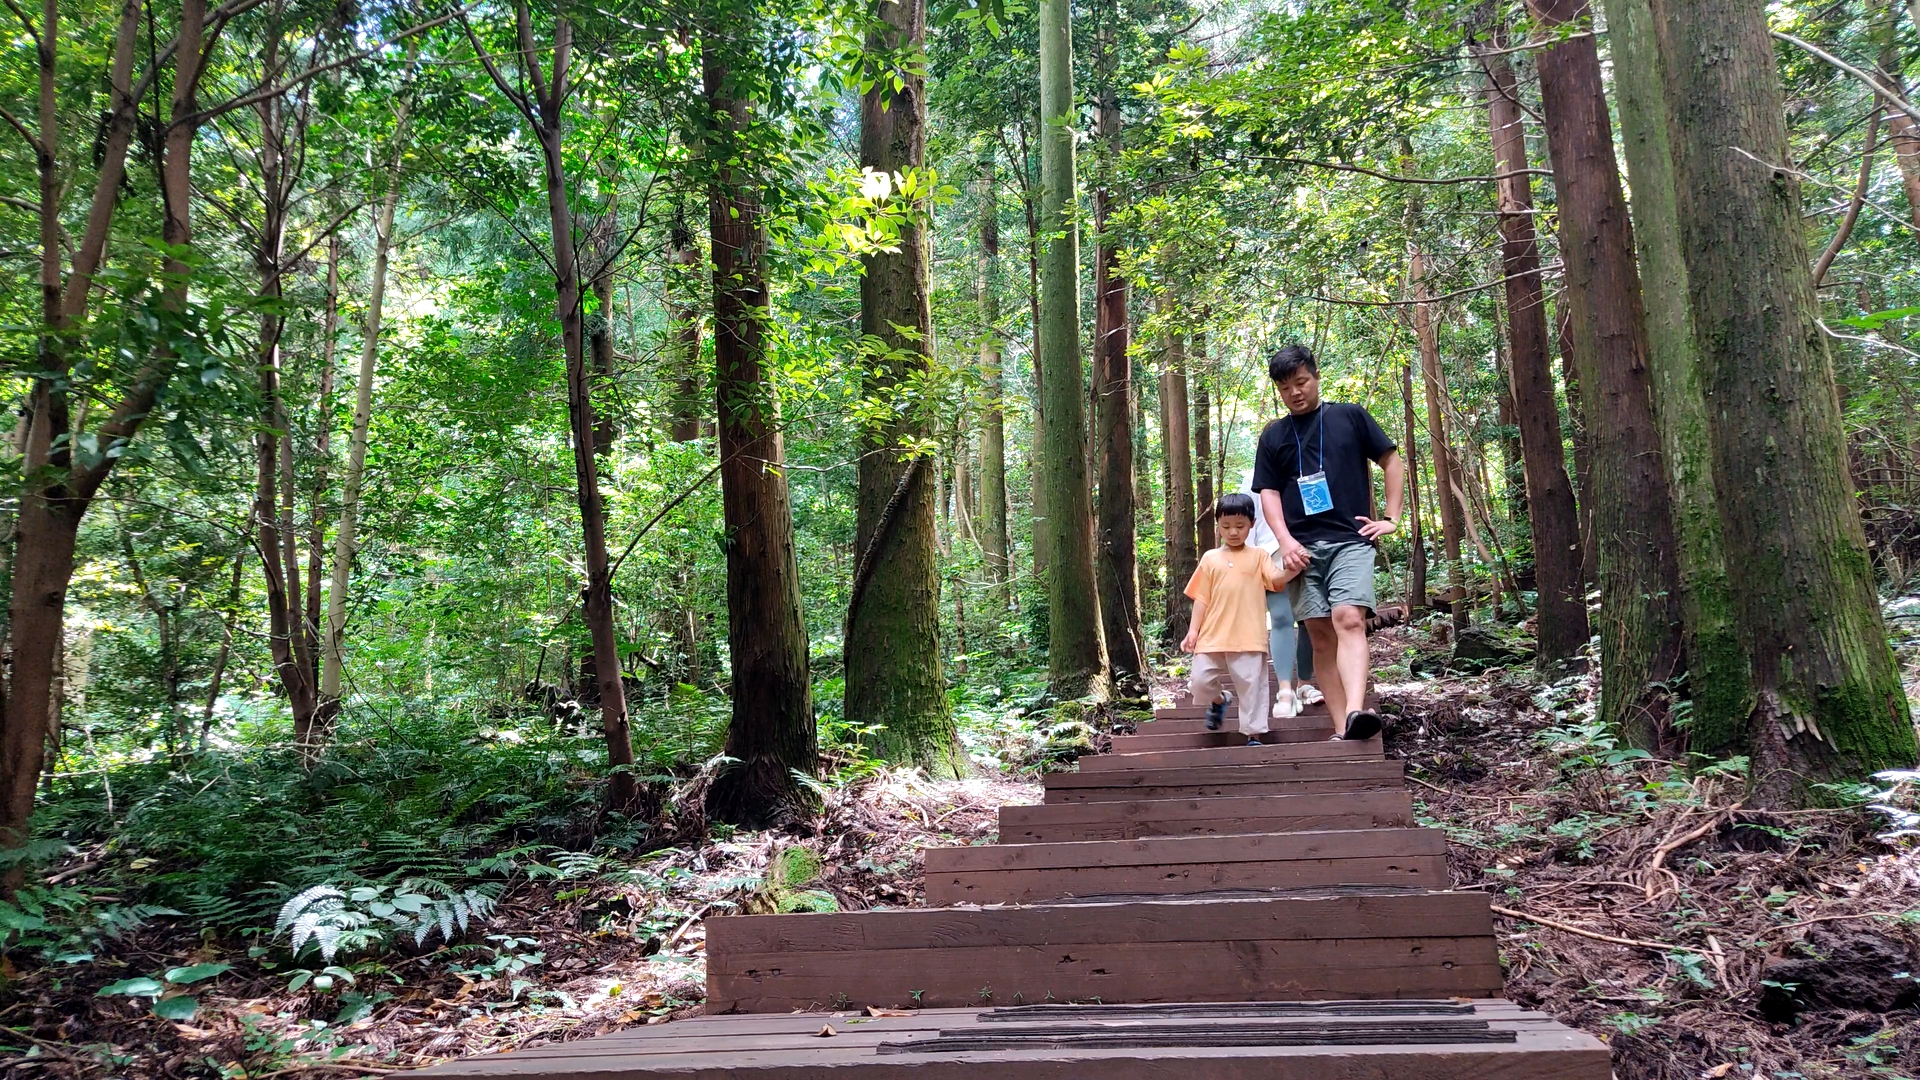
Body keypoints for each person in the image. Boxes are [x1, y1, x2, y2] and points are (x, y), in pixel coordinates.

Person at [1252, 345, 1405, 741]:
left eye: (1301, 382)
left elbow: (1391, 460)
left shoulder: (1349, 416)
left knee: (1349, 619)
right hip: (1301, 550)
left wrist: (1391, 518)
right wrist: (1284, 542)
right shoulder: (1274, 435)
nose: (1295, 392)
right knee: (1319, 635)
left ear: (1316, 377)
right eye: (1286, 387)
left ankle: (1357, 710)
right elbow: (1268, 493)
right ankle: (1343, 728)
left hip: (1350, 539)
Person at [1180, 493, 1293, 745]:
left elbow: (1275, 580)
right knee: (1199, 681)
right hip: (1212, 635)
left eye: (1240, 526)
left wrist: (1291, 570)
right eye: (1226, 526)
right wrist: (1193, 631)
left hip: (1249, 635)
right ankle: (1220, 700)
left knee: (1252, 686)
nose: (1233, 532)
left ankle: (1252, 733)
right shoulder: (1210, 558)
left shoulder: (1260, 556)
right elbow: (1201, 598)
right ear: (1218, 525)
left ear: (1252, 524)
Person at [1239, 469, 1315, 718]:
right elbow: (1247, 521)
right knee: (1282, 618)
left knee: (1309, 620)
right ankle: (1285, 690)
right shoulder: (1254, 477)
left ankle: (1304, 683)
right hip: (1272, 554)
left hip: (1310, 550)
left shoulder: (1309, 469)